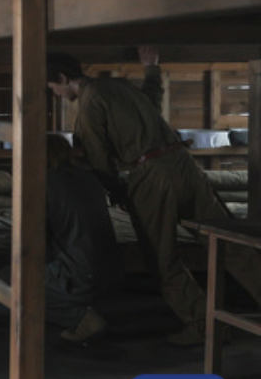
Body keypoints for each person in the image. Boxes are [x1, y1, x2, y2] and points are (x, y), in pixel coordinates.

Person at [46, 47, 261, 346]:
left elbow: (99, 160)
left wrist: (117, 192)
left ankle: (205, 326)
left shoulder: (89, 105)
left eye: (52, 87)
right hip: (183, 165)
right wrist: (151, 69)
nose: (55, 94)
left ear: (62, 77)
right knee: (226, 242)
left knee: (162, 260)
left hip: (150, 173)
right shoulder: (118, 86)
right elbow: (152, 101)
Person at [43, 133, 121, 343]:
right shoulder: (88, 177)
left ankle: (81, 318)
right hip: (112, 272)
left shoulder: (46, 184)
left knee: (9, 280)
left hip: (81, 275)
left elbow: (34, 240)